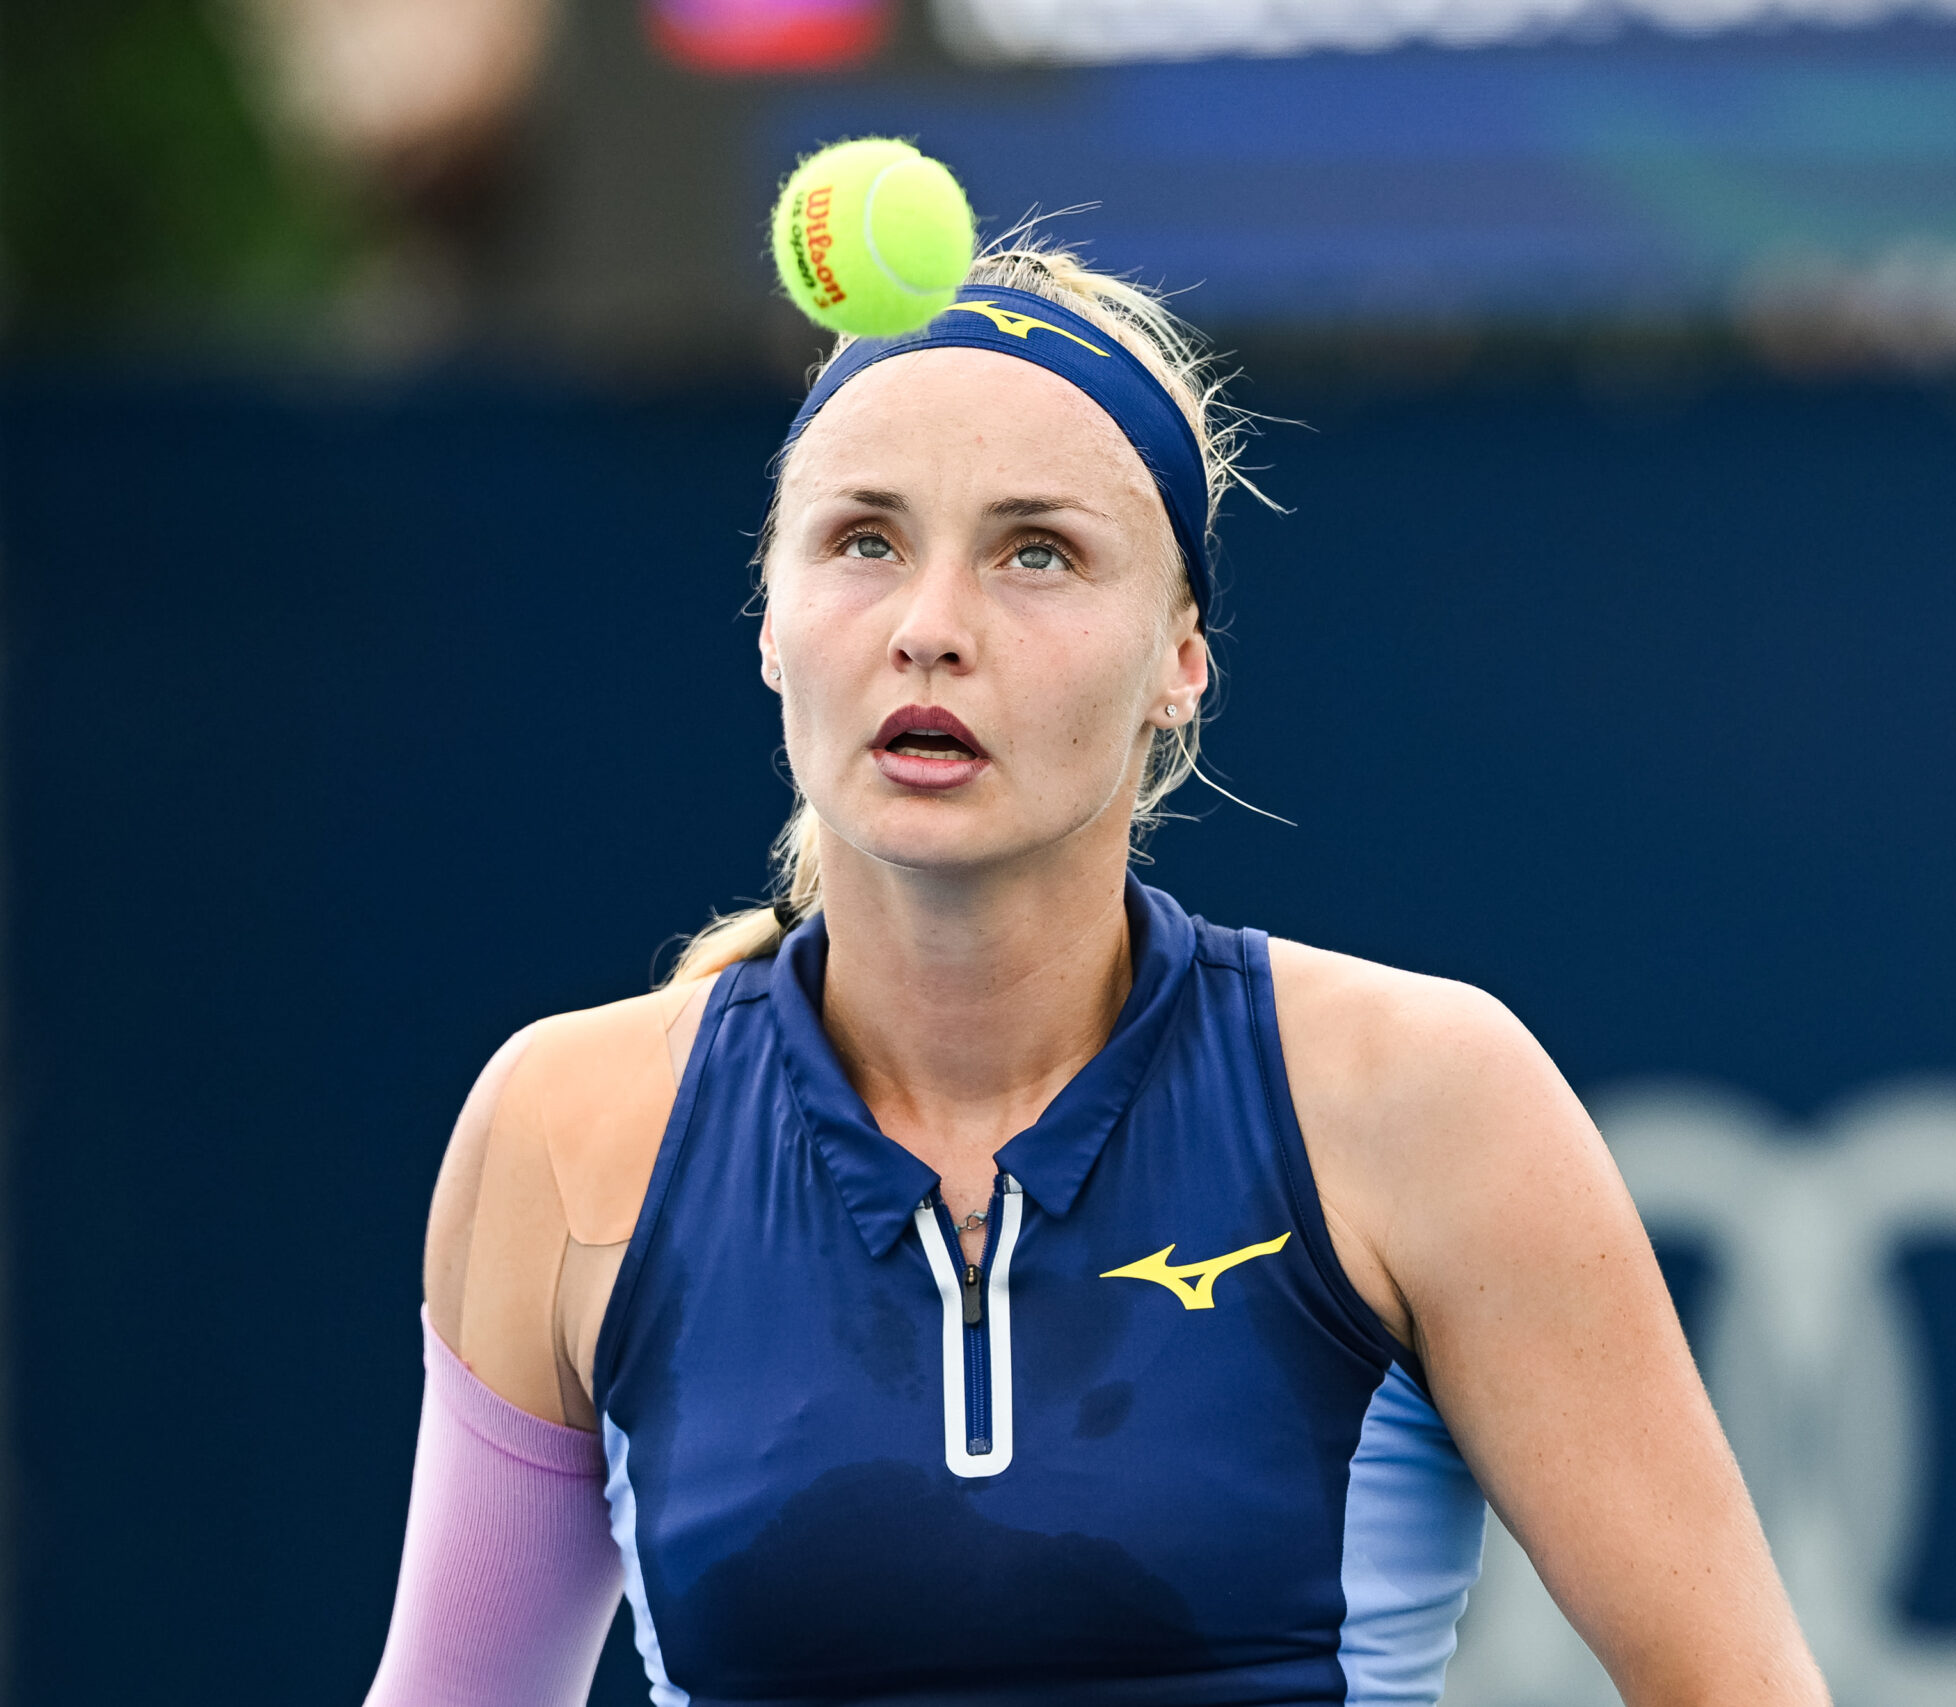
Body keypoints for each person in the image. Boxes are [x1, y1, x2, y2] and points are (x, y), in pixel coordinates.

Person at [362, 240, 1829, 1707]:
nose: (930, 627)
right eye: (864, 540)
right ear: (769, 618)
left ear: (1180, 660)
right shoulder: (560, 1133)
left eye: (1037, 552)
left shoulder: (1428, 1100)